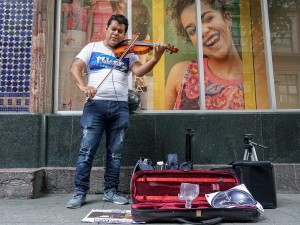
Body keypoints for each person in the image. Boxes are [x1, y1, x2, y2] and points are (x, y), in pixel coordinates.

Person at [66, 14, 166, 208]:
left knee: (115, 154)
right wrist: (83, 86)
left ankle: (110, 191)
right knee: (86, 151)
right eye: (113, 29)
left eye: (120, 31)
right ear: (106, 29)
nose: (116, 33)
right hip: (95, 106)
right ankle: (79, 193)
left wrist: (156, 57)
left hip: (120, 108)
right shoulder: (92, 48)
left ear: (124, 33)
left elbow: (139, 72)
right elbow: (75, 68)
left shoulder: (128, 53)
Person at [165, 0, 244, 110]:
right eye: (192, 30)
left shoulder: (258, 78)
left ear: (227, 18)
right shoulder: (180, 73)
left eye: (208, 19)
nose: (202, 31)